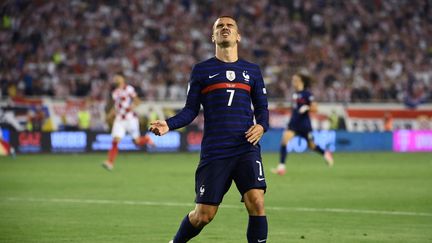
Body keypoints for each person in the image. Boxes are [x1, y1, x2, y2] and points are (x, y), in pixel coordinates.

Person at [149, 16, 269, 243]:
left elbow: (262, 108)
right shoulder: (202, 70)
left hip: (246, 146)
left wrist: (262, 126)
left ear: (238, 36)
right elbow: (190, 110)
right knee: (203, 216)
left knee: (257, 201)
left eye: (230, 26)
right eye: (219, 26)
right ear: (213, 36)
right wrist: (169, 124)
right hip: (216, 151)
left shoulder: (252, 71)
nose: (225, 28)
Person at [272, 73, 334, 176]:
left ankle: (325, 153)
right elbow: (295, 108)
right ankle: (281, 167)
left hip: (304, 125)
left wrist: (307, 107)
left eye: (295, 79)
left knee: (312, 146)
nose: (293, 82)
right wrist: (283, 107)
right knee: (284, 140)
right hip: (293, 123)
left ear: (301, 81)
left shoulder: (307, 94)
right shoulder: (294, 94)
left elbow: (315, 108)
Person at [102, 73, 154, 171]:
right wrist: (109, 116)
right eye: (115, 77)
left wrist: (131, 107)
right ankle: (110, 162)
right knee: (115, 140)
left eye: (118, 77)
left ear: (122, 79)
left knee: (137, 142)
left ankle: (146, 139)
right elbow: (116, 107)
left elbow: (138, 101)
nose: (115, 78)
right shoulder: (115, 92)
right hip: (119, 120)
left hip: (130, 119)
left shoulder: (129, 89)